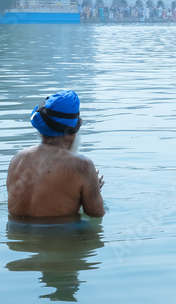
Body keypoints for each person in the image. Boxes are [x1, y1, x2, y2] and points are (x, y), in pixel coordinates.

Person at [7, 90, 105, 221]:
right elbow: (96, 214)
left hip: (15, 237)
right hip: (60, 237)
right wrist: (93, 190)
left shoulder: (17, 159)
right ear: (72, 132)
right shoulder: (82, 166)